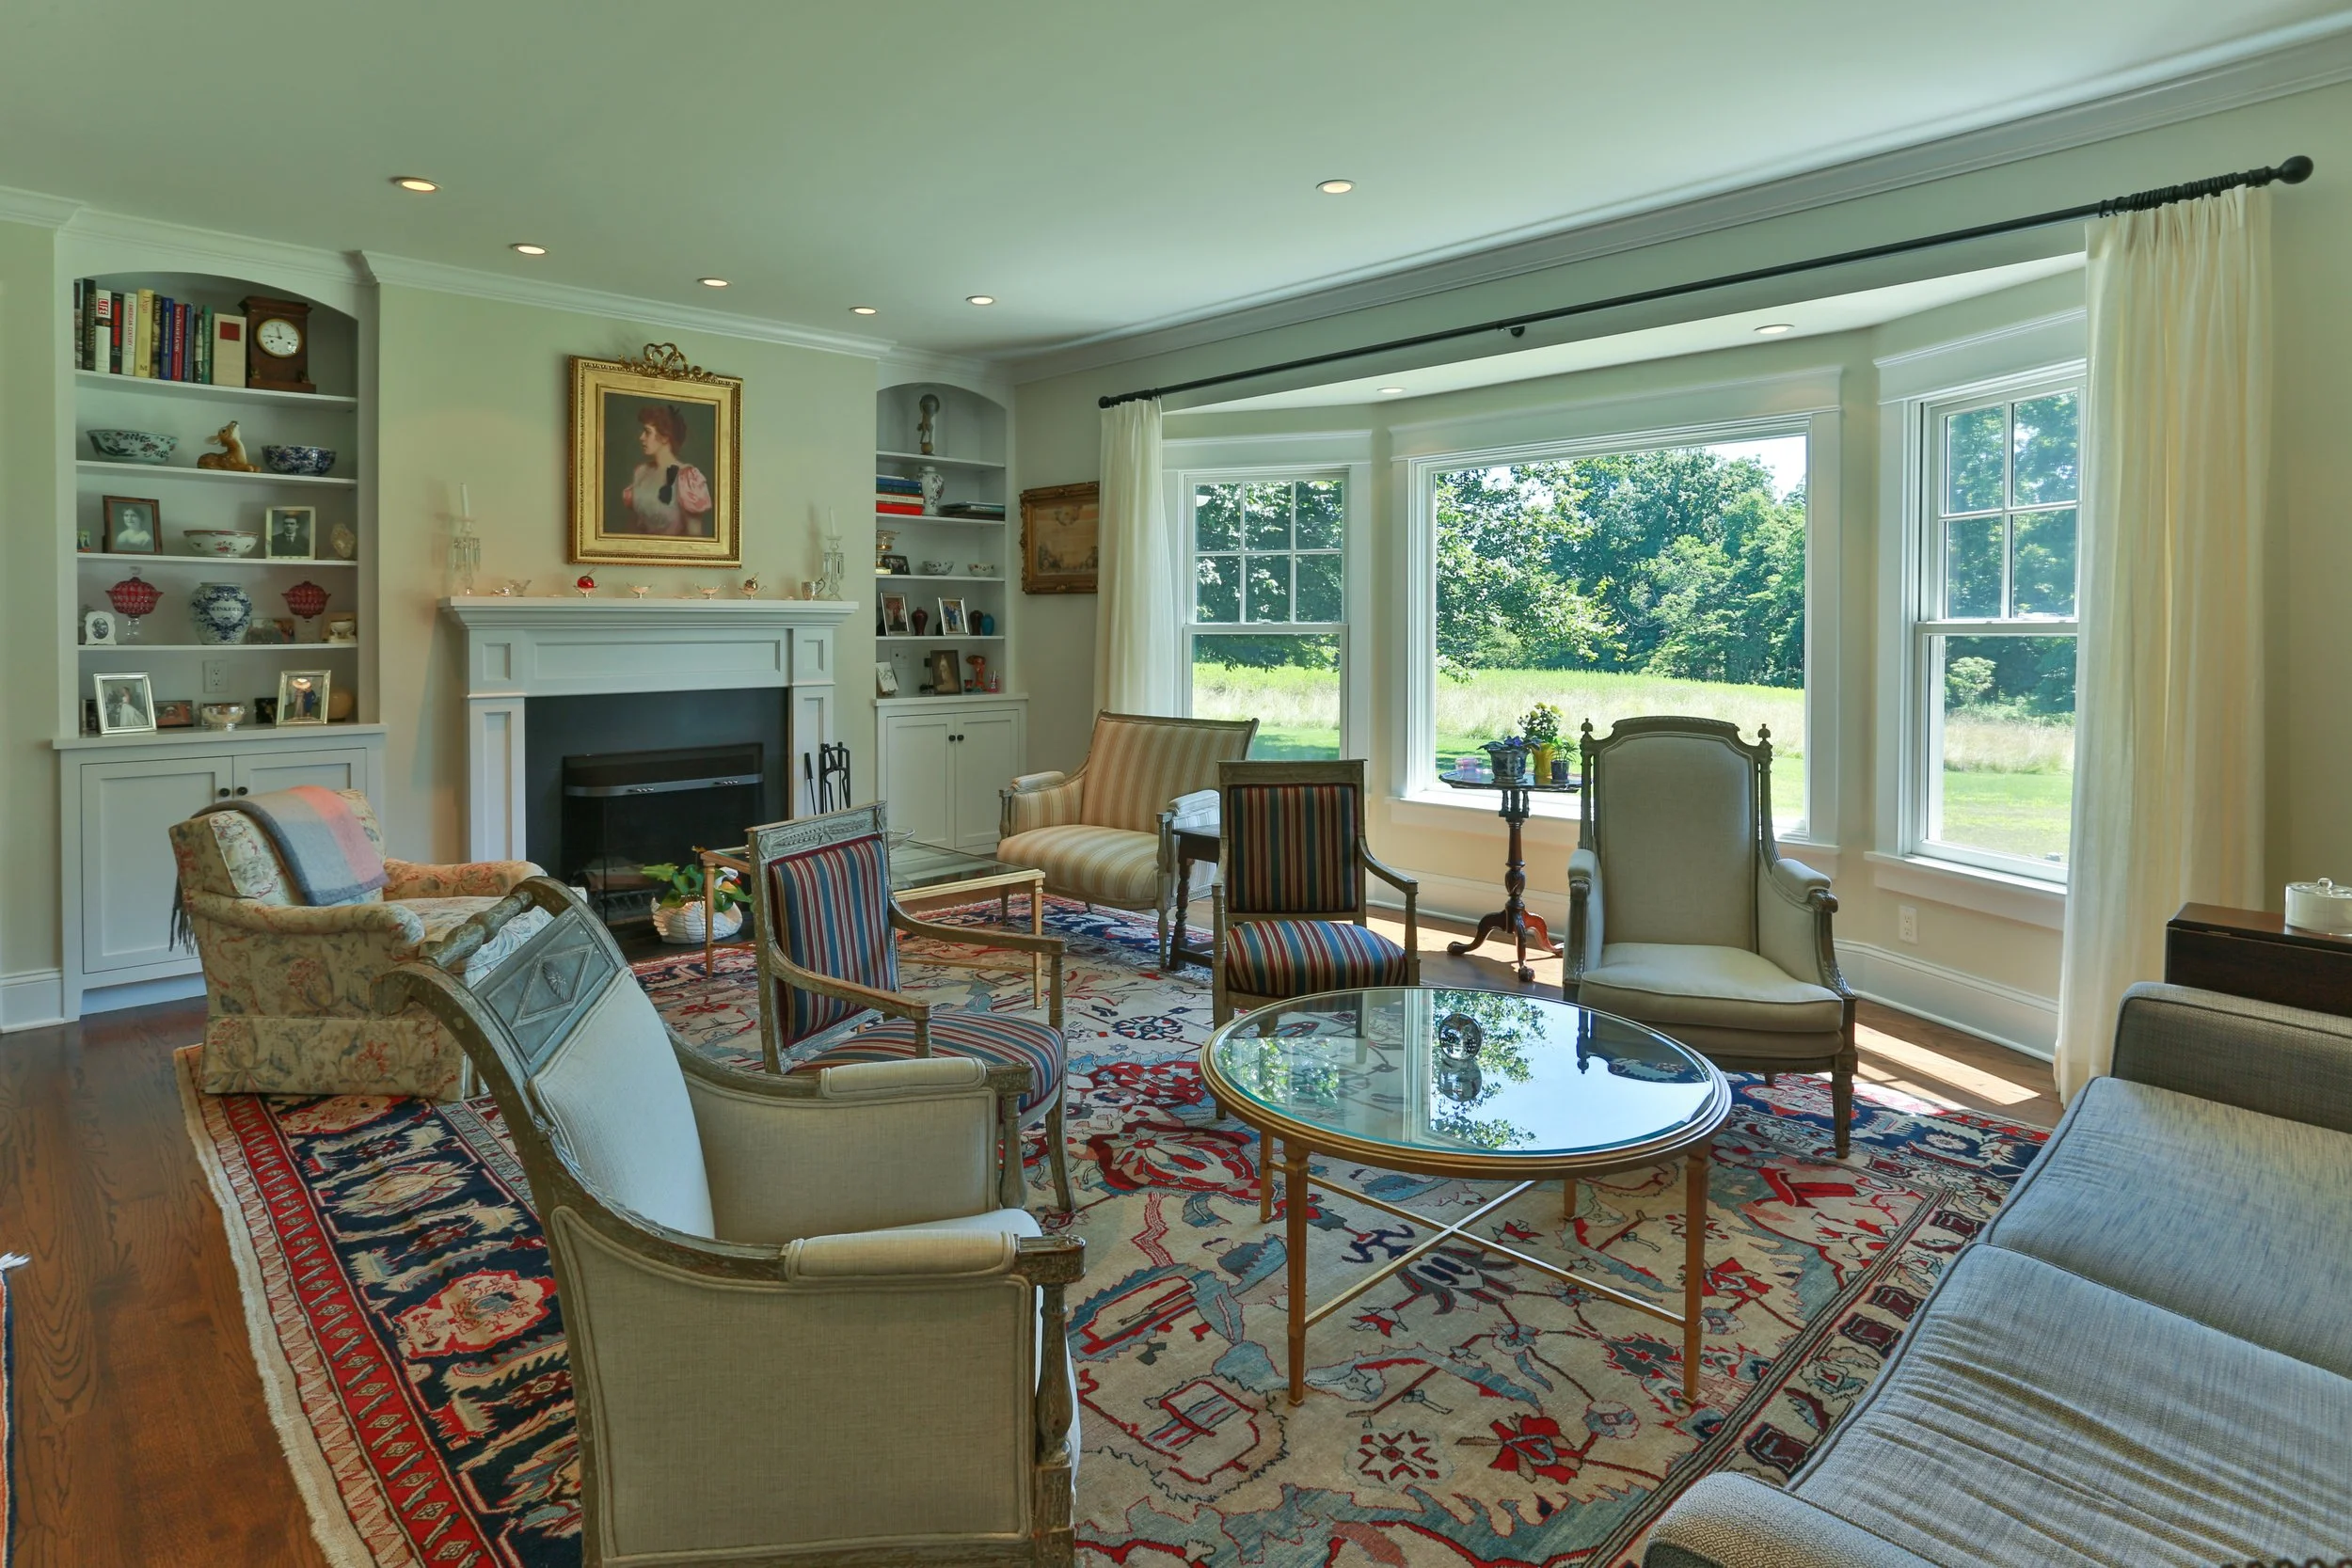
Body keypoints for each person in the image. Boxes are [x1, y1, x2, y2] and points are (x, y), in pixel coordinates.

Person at [620, 404, 712, 536]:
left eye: (647, 432)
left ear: (664, 437)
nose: (641, 437)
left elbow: (695, 538)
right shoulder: (641, 472)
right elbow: (632, 528)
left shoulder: (686, 477)